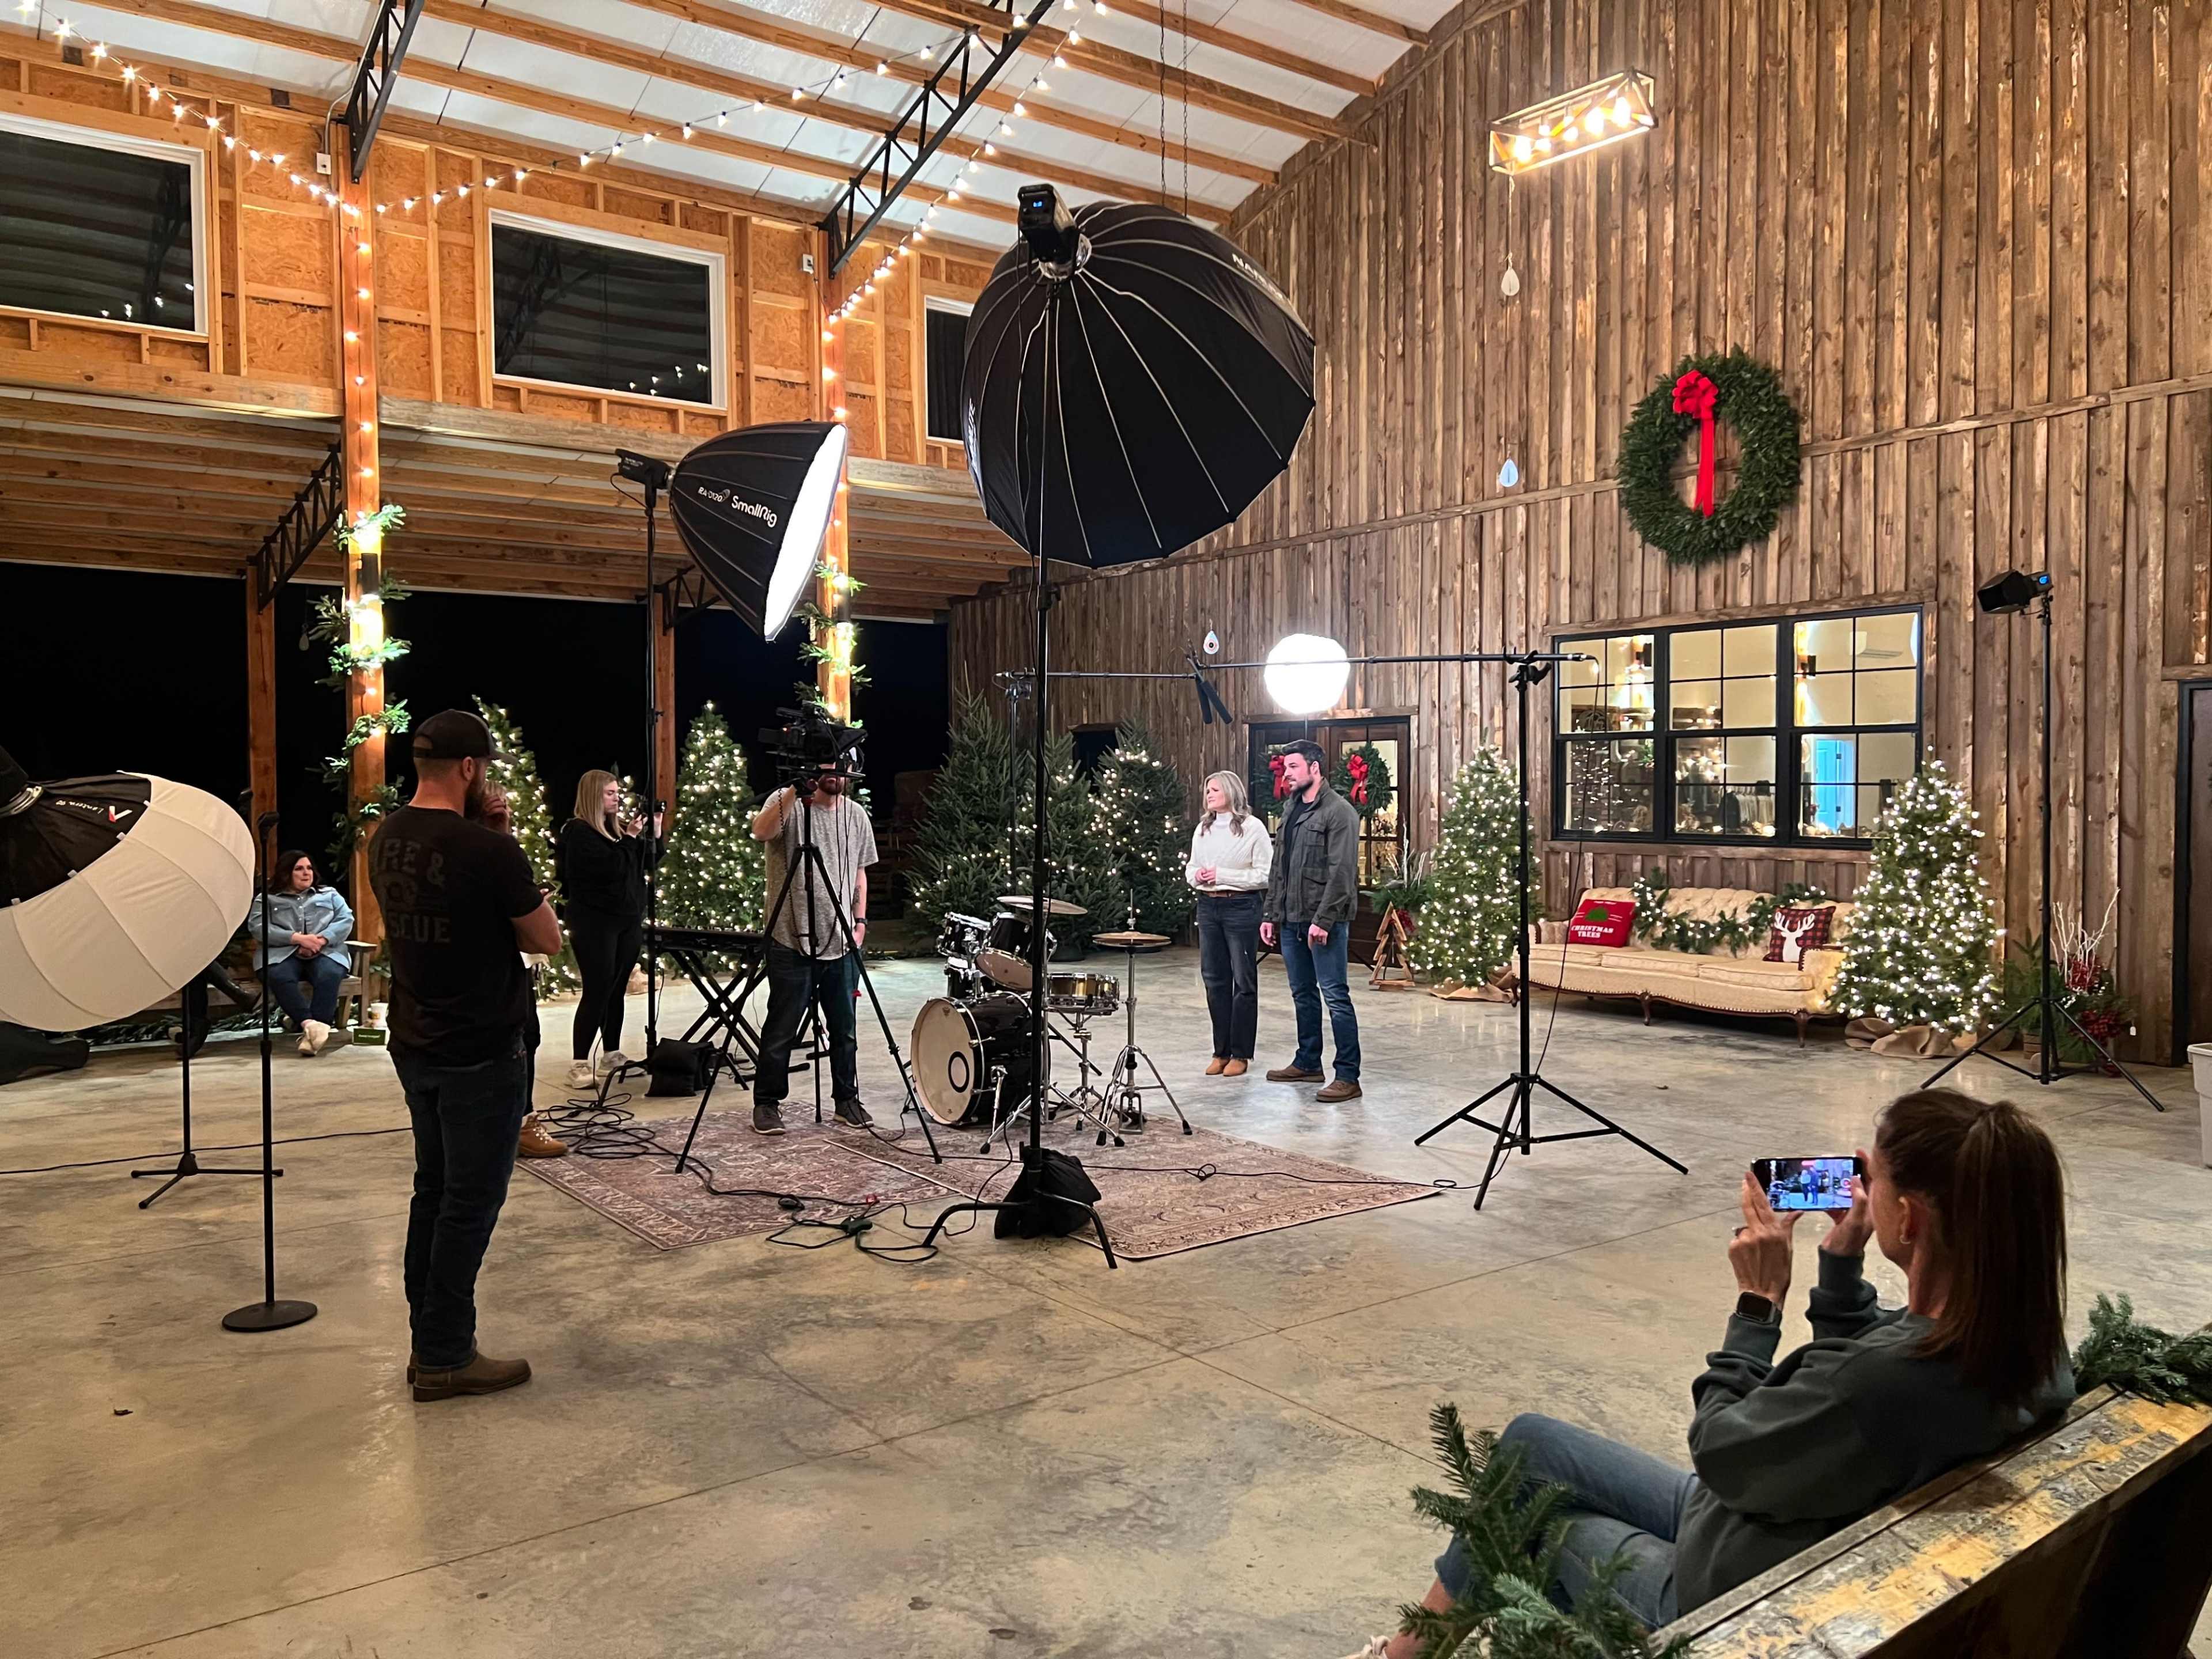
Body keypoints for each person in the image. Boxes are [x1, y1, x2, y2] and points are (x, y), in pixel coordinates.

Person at [1342, 1089, 2074, 1656]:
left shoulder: (1881, 1384)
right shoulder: (2021, 1346)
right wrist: (1842, 1266)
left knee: (1531, 1521)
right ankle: (1408, 1652)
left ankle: (1405, 1657)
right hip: (1784, 1529)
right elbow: (1871, 1371)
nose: (1859, 1190)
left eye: (1873, 1178)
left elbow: (1723, 1449)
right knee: (1533, 1442)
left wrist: (1758, 1305)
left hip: (1738, 1589)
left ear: (1909, 1221)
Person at [369, 709, 564, 1403]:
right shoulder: (489, 852)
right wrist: (505, 850)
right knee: (469, 1205)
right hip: (482, 1051)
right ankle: (448, 1353)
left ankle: (429, 1342)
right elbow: (546, 940)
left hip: (416, 1041)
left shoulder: (385, 838)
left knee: (435, 1192)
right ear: (471, 769)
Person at [749, 761, 876, 1135]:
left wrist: (861, 922)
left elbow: (860, 872)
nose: (835, 772)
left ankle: (847, 1100)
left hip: (841, 940)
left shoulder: (855, 816)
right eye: (826, 765)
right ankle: (767, 1104)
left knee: (845, 1029)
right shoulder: (786, 802)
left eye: (842, 766)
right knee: (781, 1028)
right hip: (791, 937)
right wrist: (792, 790)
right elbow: (760, 831)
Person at [1259, 740, 1362, 1101]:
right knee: (1302, 994)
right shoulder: (1291, 810)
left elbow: (1342, 873)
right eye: (1285, 768)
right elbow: (1280, 868)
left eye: (1293, 767)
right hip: (1290, 919)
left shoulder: (1339, 812)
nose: (1286, 774)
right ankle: (1307, 1062)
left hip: (1324, 923)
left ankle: (1348, 1076)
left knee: (1335, 996)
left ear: (1314, 768)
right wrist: (1272, 913)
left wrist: (1324, 920)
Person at [474, 784, 567, 1162]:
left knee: (528, 1033)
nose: (502, 804)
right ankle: (514, 1123)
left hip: (514, 957)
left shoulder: (500, 845)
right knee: (507, 1039)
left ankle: (521, 1117)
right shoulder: (463, 841)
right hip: (484, 962)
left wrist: (504, 832)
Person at [555, 768, 658, 1093]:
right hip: (594, 921)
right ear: (593, 796)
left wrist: (652, 833)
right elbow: (609, 869)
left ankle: (611, 1053)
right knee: (597, 988)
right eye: (610, 793)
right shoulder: (578, 832)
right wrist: (629, 839)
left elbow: (647, 864)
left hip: (626, 919)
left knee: (617, 987)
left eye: (617, 792)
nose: (617, 798)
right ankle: (579, 1062)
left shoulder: (615, 831)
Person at [1185, 770, 1272, 1077]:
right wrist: (1197, 876)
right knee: (1214, 980)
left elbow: (1265, 874)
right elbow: (1192, 866)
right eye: (1207, 790)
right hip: (1208, 907)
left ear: (1231, 792)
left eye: (1215, 790)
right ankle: (1220, 1051)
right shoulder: (1203, 828)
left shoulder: (1252, 828)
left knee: (1243, 982)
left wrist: (1222, 875)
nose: (1208, 794)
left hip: (1241, 907)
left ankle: (1241, 1053)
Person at [248, 851, 355, 1058]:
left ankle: (310, 1028)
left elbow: (346, 919)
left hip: (325, 951)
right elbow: (258, 927)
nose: (306, 873)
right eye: (299, 869)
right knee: (279, 976)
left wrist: (321, 940)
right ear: (286, 873)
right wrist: (297, 939)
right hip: (282, 953)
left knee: (329, 974)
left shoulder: (329, 894)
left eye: (309, 868)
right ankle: (311, 1025)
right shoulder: (267, 899)